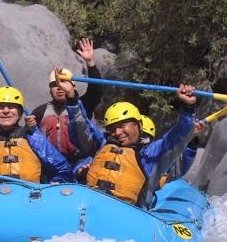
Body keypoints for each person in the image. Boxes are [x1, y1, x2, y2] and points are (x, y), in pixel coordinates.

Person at [70, 85, 198, 208]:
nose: (118, 132)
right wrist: (72, 99)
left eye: (122, 126)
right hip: (91, 205)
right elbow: (82, 128)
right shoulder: (102, 144)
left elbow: (175, 138)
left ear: (139, 125)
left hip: (129, 214)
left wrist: (188, 108)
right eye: (113, 129)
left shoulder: (149, 155)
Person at [25, 38, 105, 165]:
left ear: (73, 86)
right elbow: (31, 137)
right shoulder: (40, 111)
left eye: (64, 83)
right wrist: (30, 128)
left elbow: (97, 90)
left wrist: (90, 63)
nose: (60, 88)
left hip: (81, 161)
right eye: (54, 85)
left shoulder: (83, 104)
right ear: (50, 90)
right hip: (52, 164)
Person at [139, 114, 206, 186]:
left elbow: (178, 169)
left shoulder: (154, 167)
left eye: (144, 136)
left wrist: (190, 139)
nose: (140, 140)